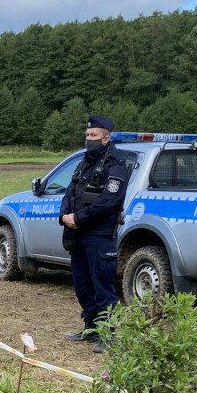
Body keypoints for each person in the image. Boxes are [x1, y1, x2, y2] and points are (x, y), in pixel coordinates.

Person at [59, 115, 130, 353]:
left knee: (102, 285)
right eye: (87, 135)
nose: (89, 139)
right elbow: (70, 192)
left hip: (99, 234)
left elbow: (109, 201)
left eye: (94, 136)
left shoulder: (116, 164)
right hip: (77, 235)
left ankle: (107, 334)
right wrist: (64, 215)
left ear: (106, 138)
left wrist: (79, 218)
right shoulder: (84, 162)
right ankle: (90, 327)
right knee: (82, 284)